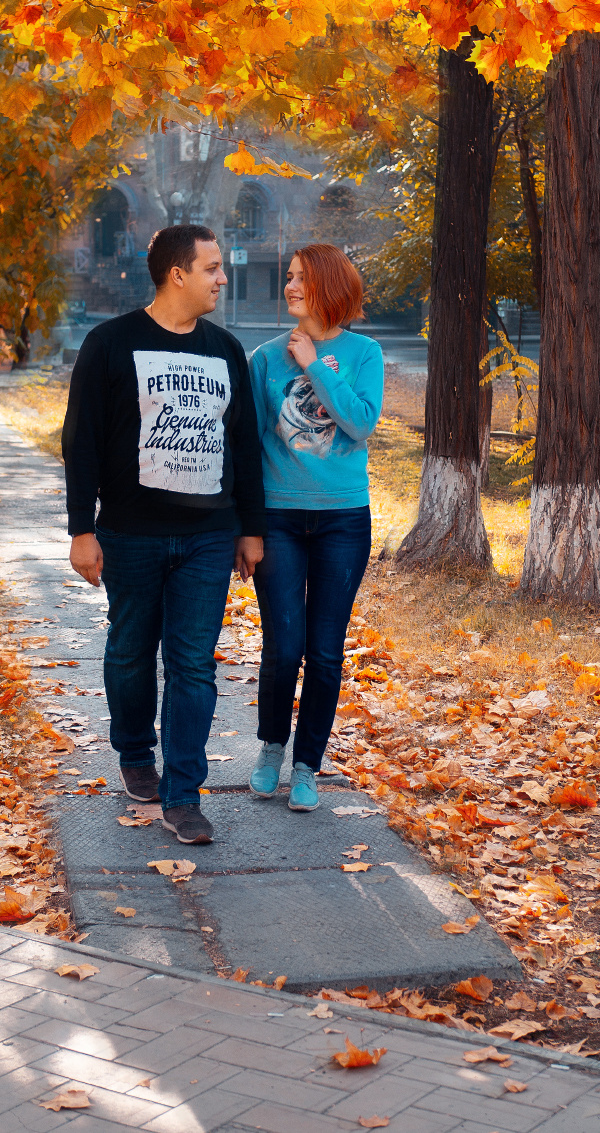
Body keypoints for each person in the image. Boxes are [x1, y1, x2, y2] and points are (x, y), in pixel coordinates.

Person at [62, 224, 265, 845]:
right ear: (178, 274)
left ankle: (183, 796)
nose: (222, 278)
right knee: (129, 653)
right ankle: (134, 753)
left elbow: (244, 446)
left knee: (193, 666)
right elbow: (81, 443)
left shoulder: (225, 349)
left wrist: (251, 528)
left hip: (208, 536)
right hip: (131, 534)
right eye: (212, 268)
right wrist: (81, 530)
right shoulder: (110, 343)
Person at [247, 244, 384, 811]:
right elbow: (248, 445)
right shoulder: (263, 359)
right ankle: (271, 748)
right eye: (289, 277)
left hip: (342, 521)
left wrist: (312, 364)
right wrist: (245, 527)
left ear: (329, 284)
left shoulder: (364, 353)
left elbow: (360, 422)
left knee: (325, 652)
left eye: (301, 277)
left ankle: (307, 765)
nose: (290, 286)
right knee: (284, 646)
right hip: (278, 516)